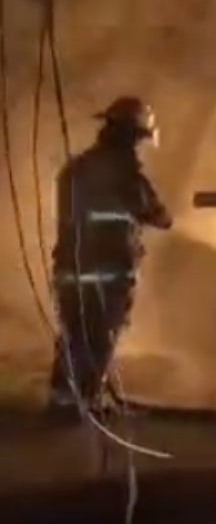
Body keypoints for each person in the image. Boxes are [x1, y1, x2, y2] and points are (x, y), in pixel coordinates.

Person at [48, 96, 172, 419]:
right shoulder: (126, 173)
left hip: (70, 268)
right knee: (99, 334)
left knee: (74, 333)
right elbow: (157, 214)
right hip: (109, 270)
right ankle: (85, 402)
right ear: (133, 136)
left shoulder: (76, 168)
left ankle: (63, 398)